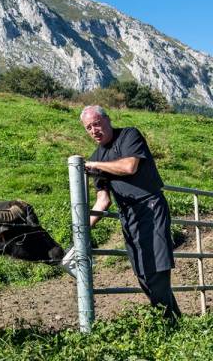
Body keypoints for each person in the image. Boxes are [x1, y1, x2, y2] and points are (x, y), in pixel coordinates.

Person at [80, 105, 180, 320]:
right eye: (88, 128)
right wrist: (81, 229)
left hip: (150, 206)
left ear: (107, 120)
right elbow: (103, 200)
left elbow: (129, 167)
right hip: (128, 216)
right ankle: (174, 321)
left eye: (96, 124)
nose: (94, 130)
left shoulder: (128, 135)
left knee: (156, 267)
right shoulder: (96, 155)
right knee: (142, 271)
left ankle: (169, 321)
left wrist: (95, 165)